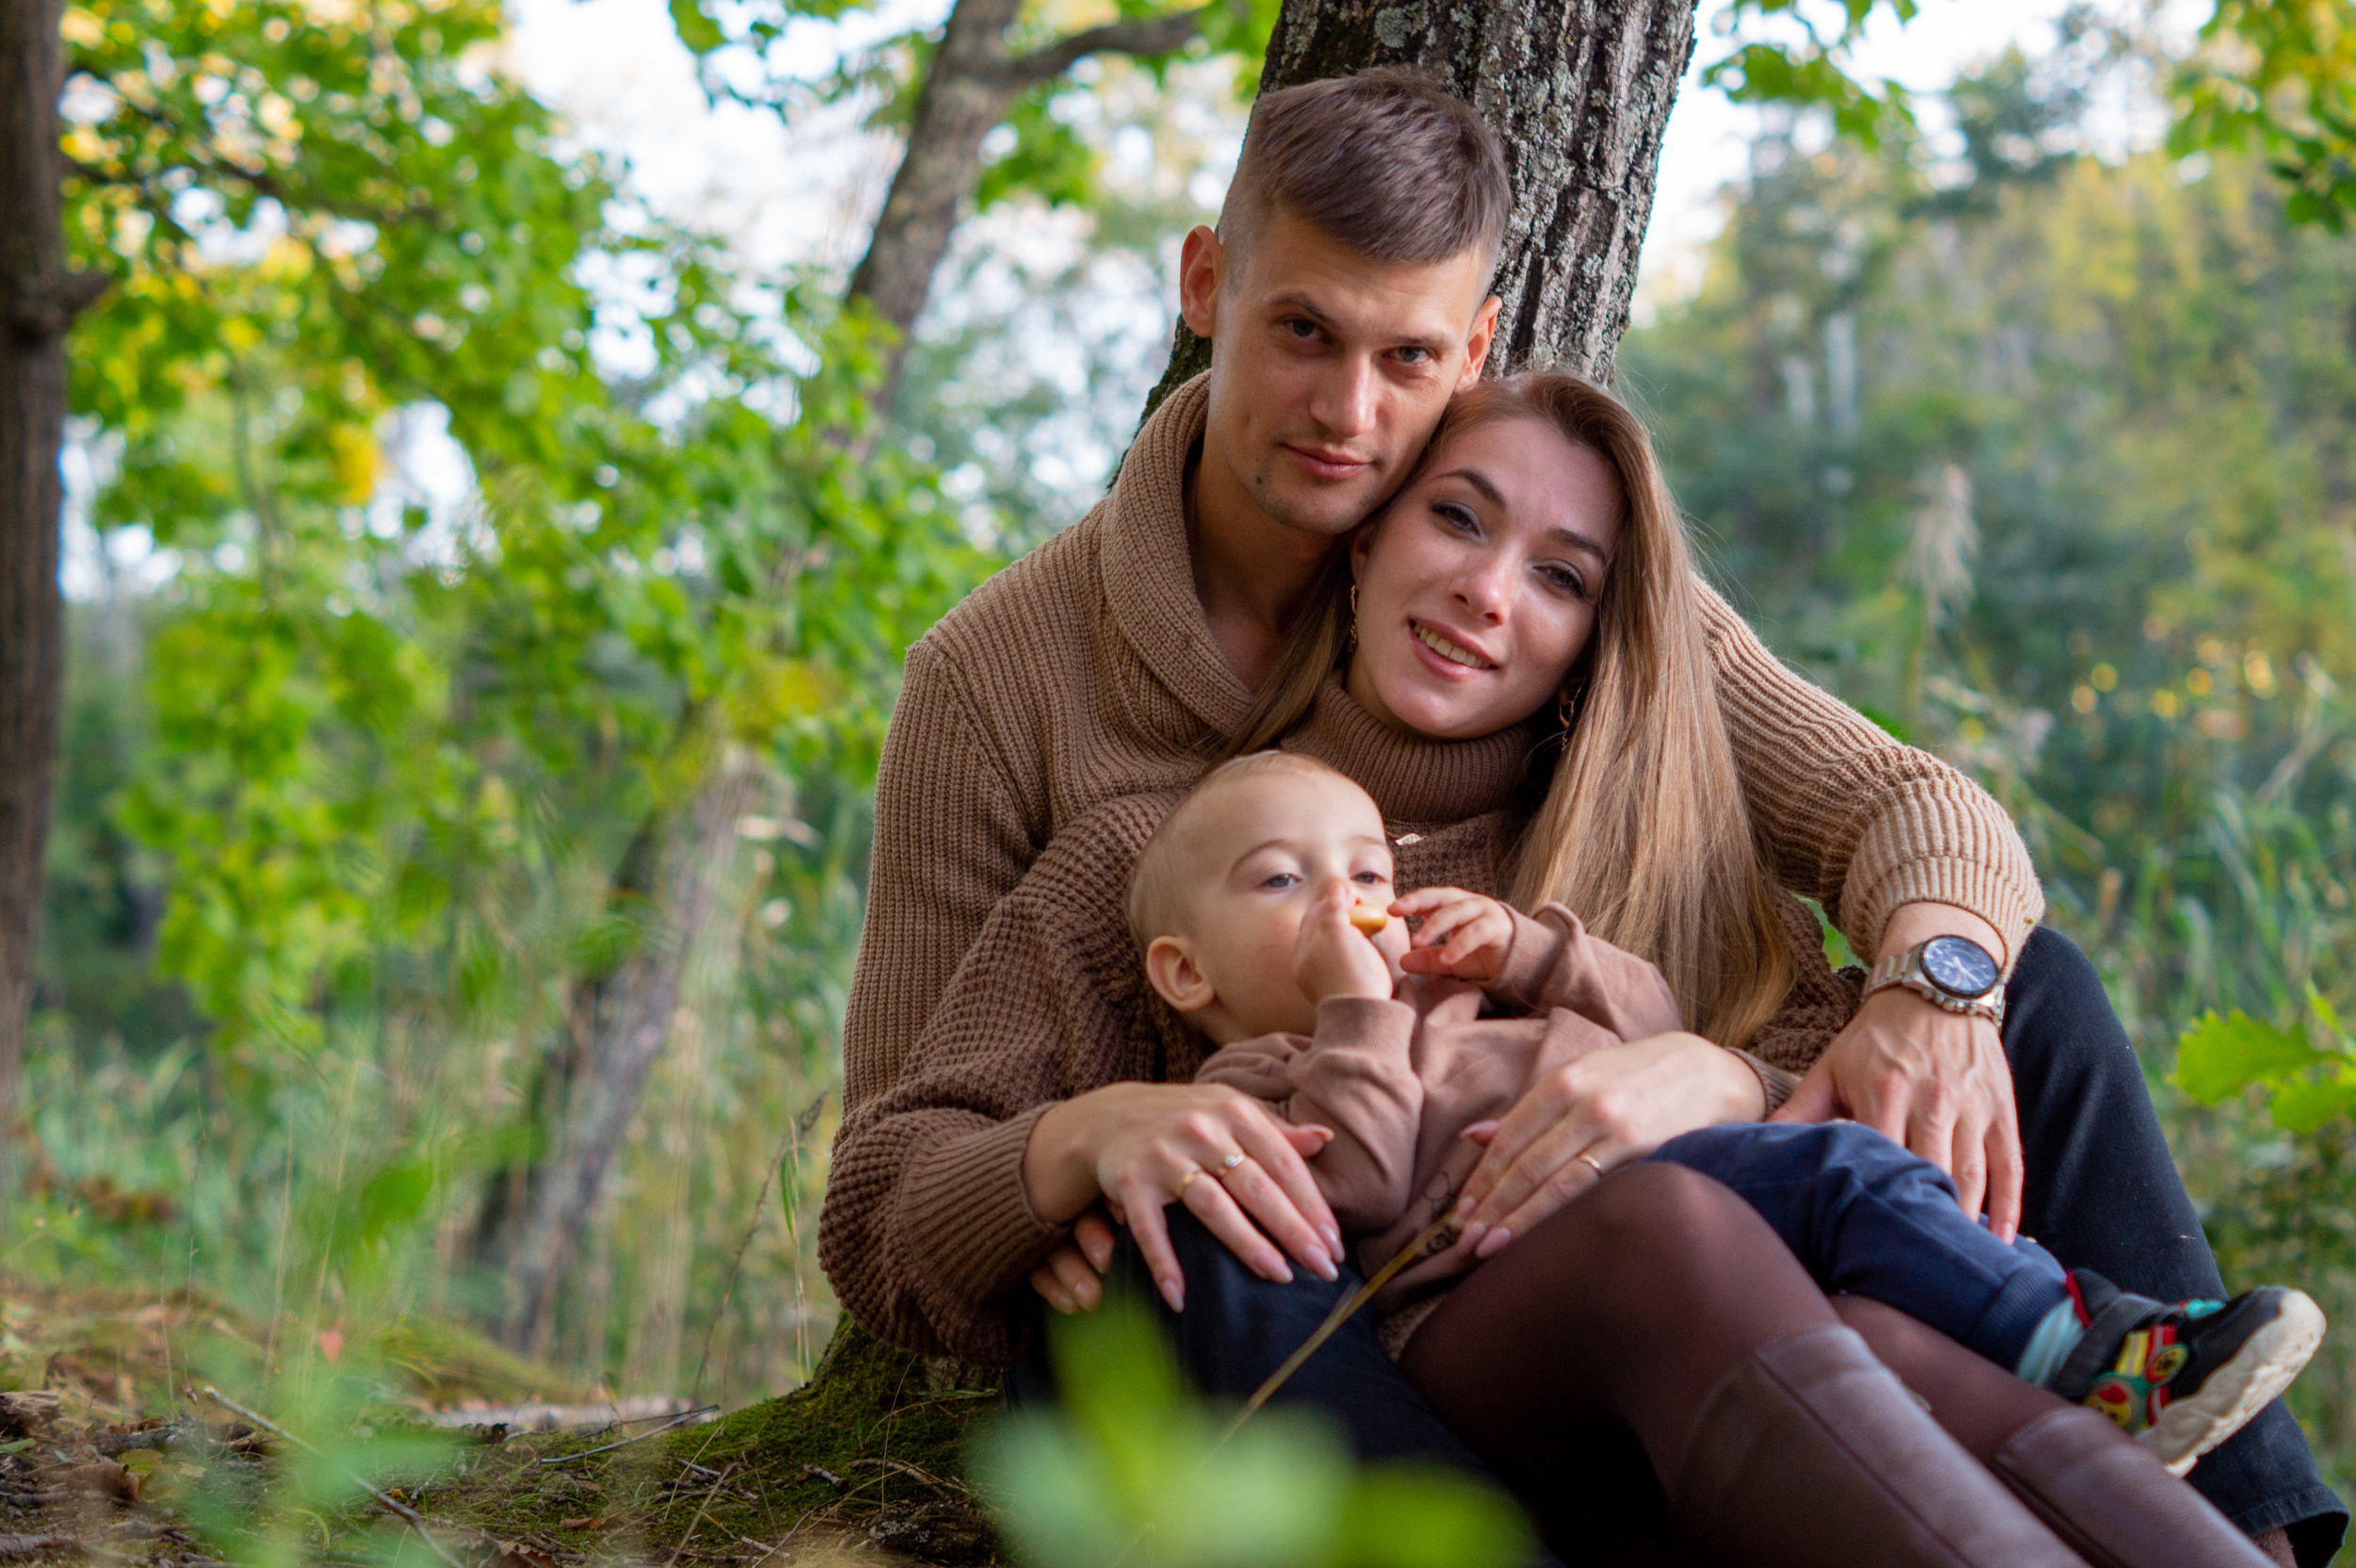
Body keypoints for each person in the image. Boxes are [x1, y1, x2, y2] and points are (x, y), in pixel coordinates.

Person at [834, 67, 2343, 1561]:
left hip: (1616, 1215)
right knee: (1207, 1261)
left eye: (1408, 359)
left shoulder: (1563, 595)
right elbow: (908, 1164)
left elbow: (1914, 806)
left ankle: (2242, 1525)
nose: (1349, 412)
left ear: (1471, 350)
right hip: (1303, 1288)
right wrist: (1083, 1140)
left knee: (2029, 996)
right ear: (1209, 287)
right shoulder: (1009, 689)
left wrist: (1862, 1018)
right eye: (1303, 332)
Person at [1156, 751, 2321, 1477]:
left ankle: (2087, 1350)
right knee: (1837, 1180)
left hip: (1682, 1179)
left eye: (1366, 872)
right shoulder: (1257, 1078)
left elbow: (1650, 1015)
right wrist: (1357, 1014)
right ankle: (2083, 1351)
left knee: (1861, 1182)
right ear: (1185, 973)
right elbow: (1351, 1184)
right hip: (1511, 1273)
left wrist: (1533, 946)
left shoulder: (1464, 991)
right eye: (1280, 879)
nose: (1344, 904)